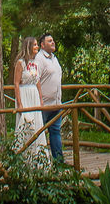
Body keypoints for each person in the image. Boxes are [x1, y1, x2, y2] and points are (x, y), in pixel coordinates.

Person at [11, 36, 50, 163]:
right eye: (34, 45)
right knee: (26, 124)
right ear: (28, 47)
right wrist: (19, 103)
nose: (37, 47)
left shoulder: (35, 64)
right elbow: (16, 83)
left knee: (37, 124)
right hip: (24, 93)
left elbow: (37, 81)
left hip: (34, 94)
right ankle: (23, 159)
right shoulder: (21, 63)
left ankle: (38, 159)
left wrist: (41, 98)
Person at [33, 32, 64, 163]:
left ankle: (58, 161)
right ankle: (40, 161)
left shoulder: (54, 58)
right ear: (42, 44)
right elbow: (35, 78)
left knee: (55, 131)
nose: (53, 42)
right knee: (39, 133)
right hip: (44, 104)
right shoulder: (39, 59)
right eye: (49, 41)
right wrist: (40, 99)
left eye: (53, 40)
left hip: (56, 103)